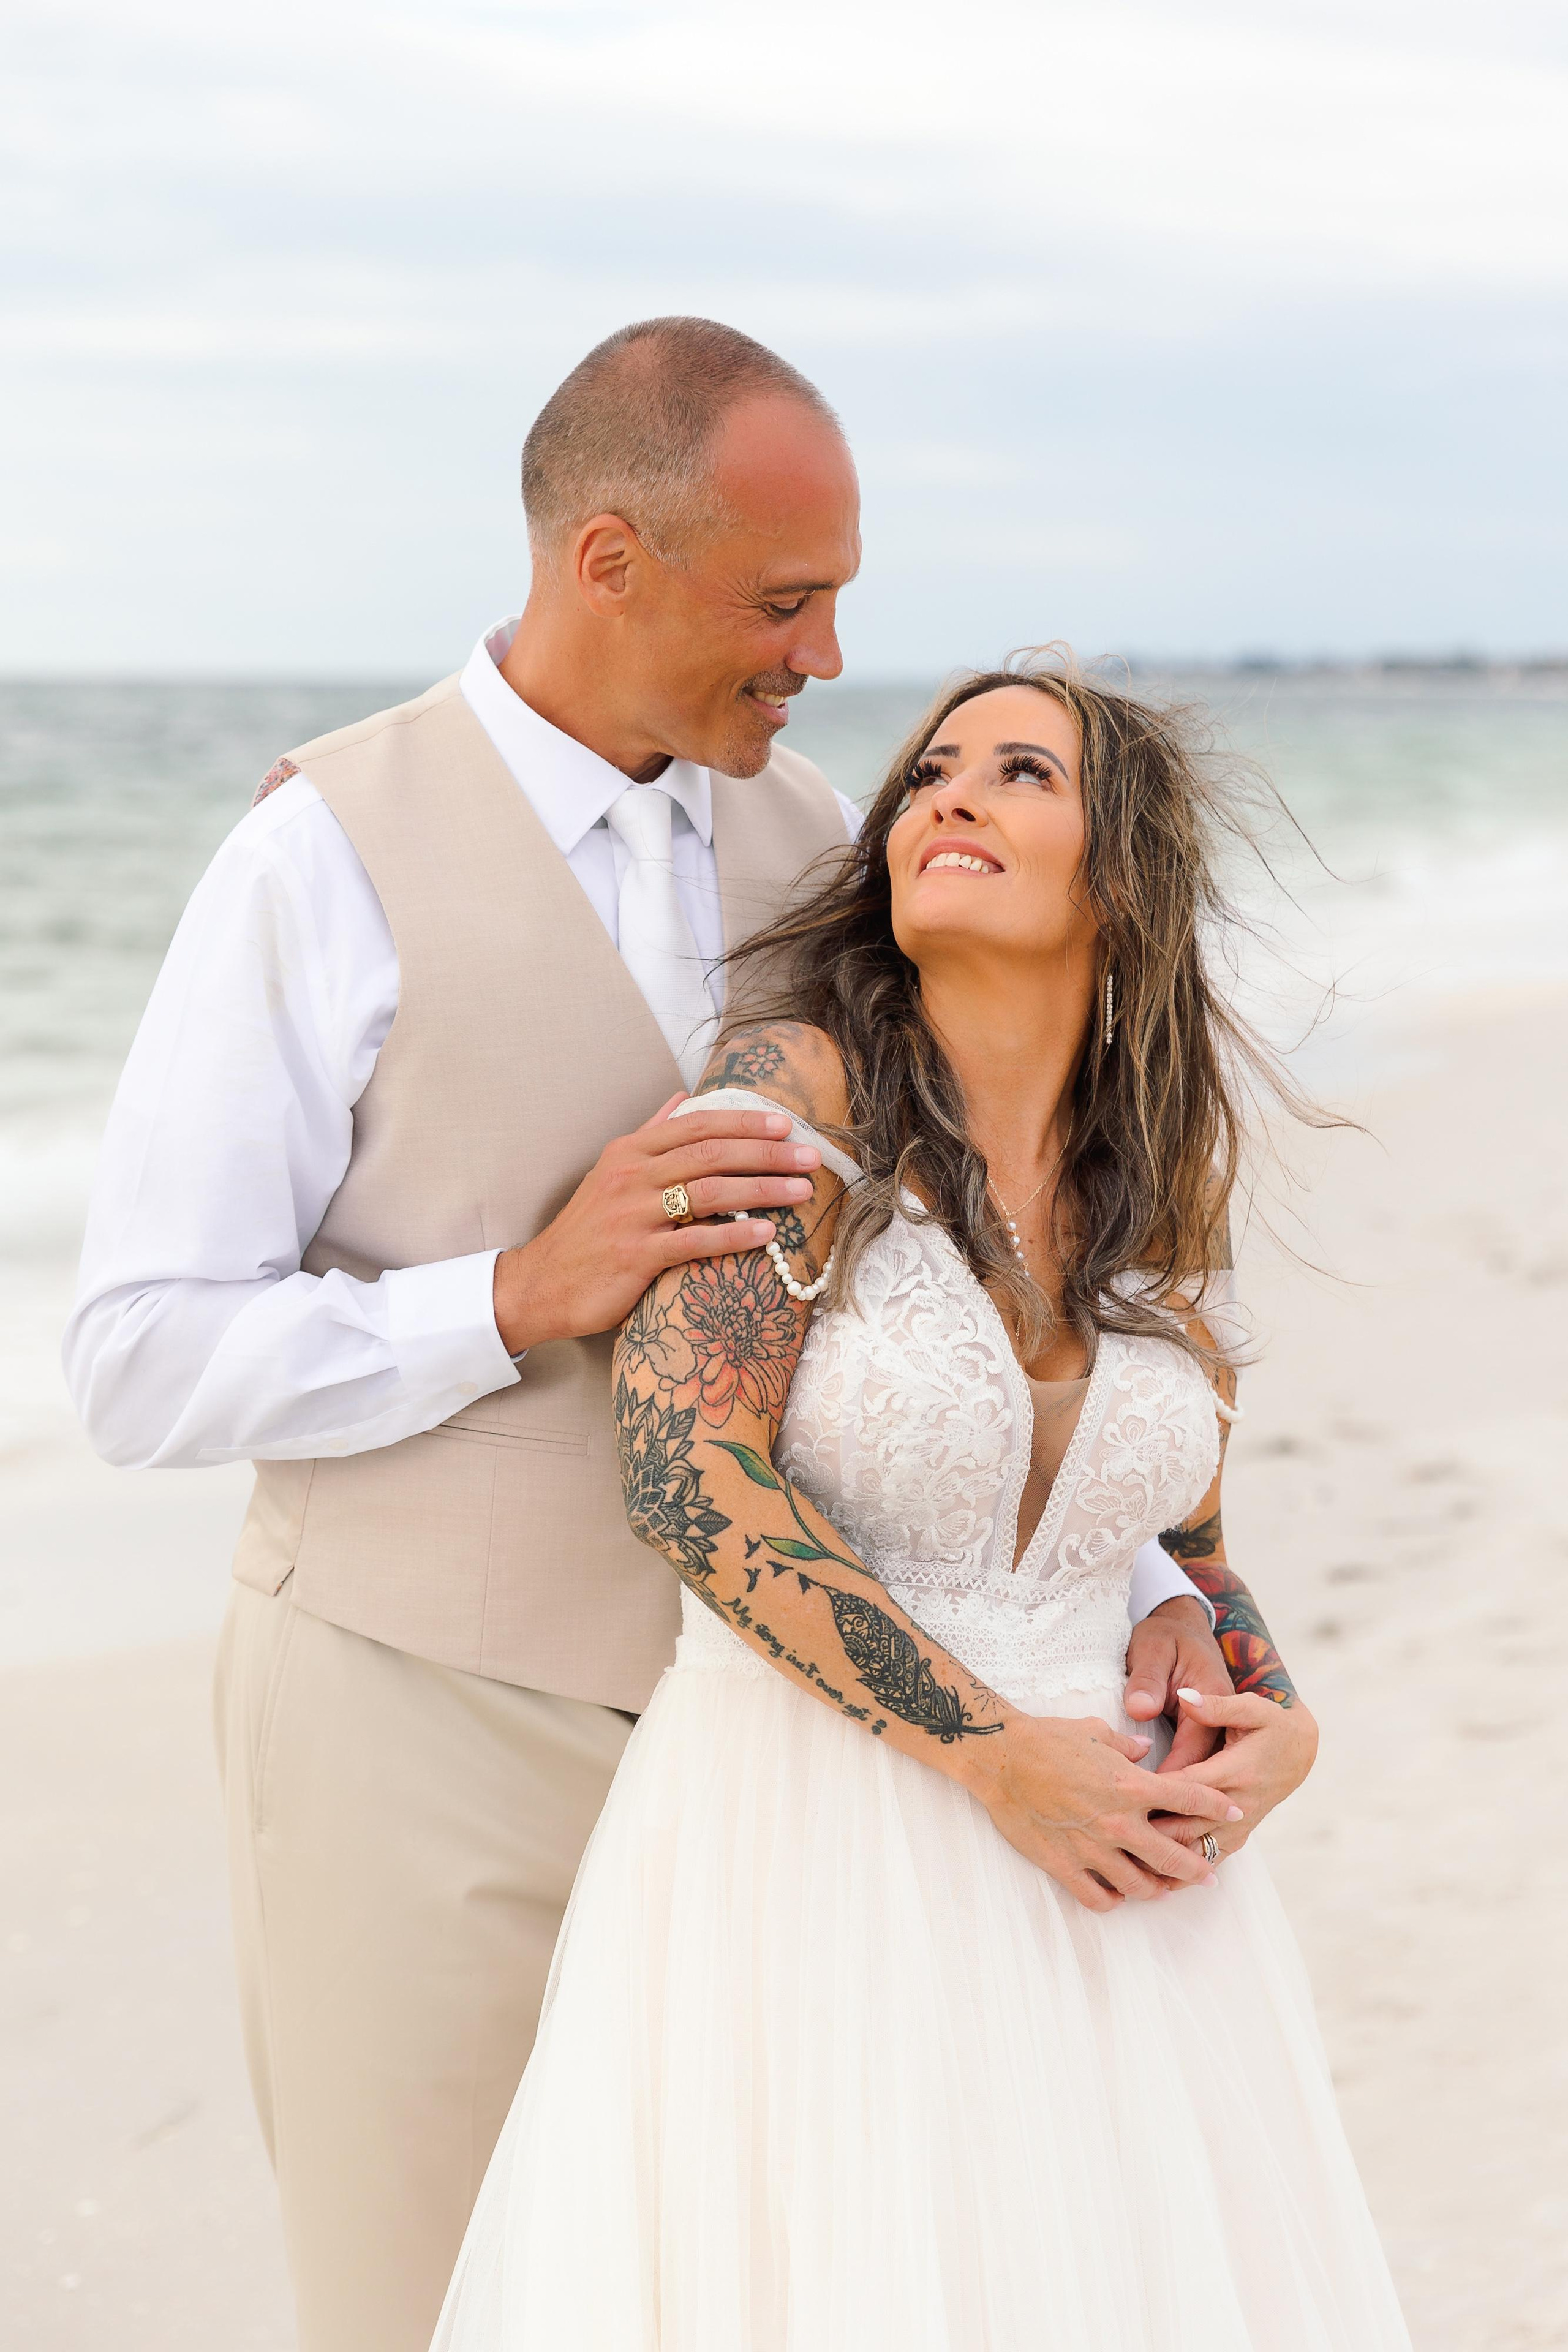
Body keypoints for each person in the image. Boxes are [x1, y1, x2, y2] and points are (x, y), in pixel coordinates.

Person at [63, 321, 1227, 2352]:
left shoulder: (827, 848)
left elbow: (986, 1268)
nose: (827, 656)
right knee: (432, 2300)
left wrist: (1148, 1585)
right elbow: (138, 1355)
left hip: (788, 1758)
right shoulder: (319, 855)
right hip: (422, 1712)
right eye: (785, 601)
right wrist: (512, 1295)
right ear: (609, 561)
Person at [430, 662, 1412, 2349]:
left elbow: (1185, 1545)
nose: (949, 793)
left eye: (1023, 772)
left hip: (1127, 1888)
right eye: (932, 771)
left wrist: (1275, 1712)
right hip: (820, 1840)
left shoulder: (1157, 1178)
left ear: (1124, 876)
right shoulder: (794, 1091)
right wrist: (994, 1755)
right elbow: (686, 1470)